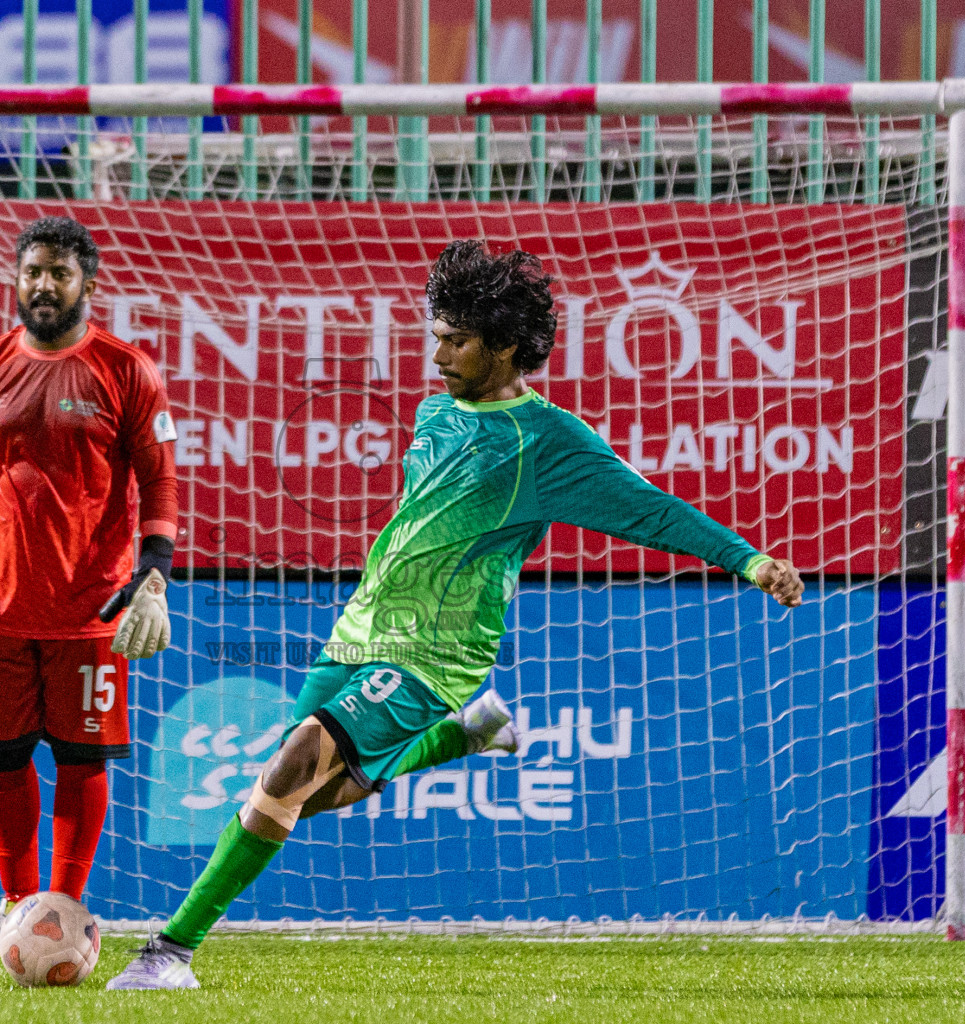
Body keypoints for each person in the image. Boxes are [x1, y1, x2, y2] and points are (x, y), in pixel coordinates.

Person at [106, 240, 804, 990]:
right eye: (435, 335)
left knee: (289, 770)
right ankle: (463, 735)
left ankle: (169, 953)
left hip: (433, 654)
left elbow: (651, 511)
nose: (437, 354)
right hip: (358, 630)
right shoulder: (434, 411)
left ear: (505, 347)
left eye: (457, 340)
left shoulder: (550, 444)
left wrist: (749, 560)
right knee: (286, 801)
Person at [0, 216, 179, 952]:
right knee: (5, 756)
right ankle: (18, 911)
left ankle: (65, 914)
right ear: (15, 280)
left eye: (58, 272)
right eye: (32, 272)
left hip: (93, 607)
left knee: (82, 760)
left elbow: (160, 479)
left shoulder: (127, 369)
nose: (43, 285)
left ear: (89, 280)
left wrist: (156, 569)